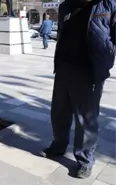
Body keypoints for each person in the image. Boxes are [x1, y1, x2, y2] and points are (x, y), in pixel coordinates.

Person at [41, 0, 116, 179]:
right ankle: (58, 145)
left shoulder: (108, 4)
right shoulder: (66, 6)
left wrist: (108, 52)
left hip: (89, 71)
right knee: (59, 113)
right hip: (64, 68)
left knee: (86, 120)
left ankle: (85, 160)